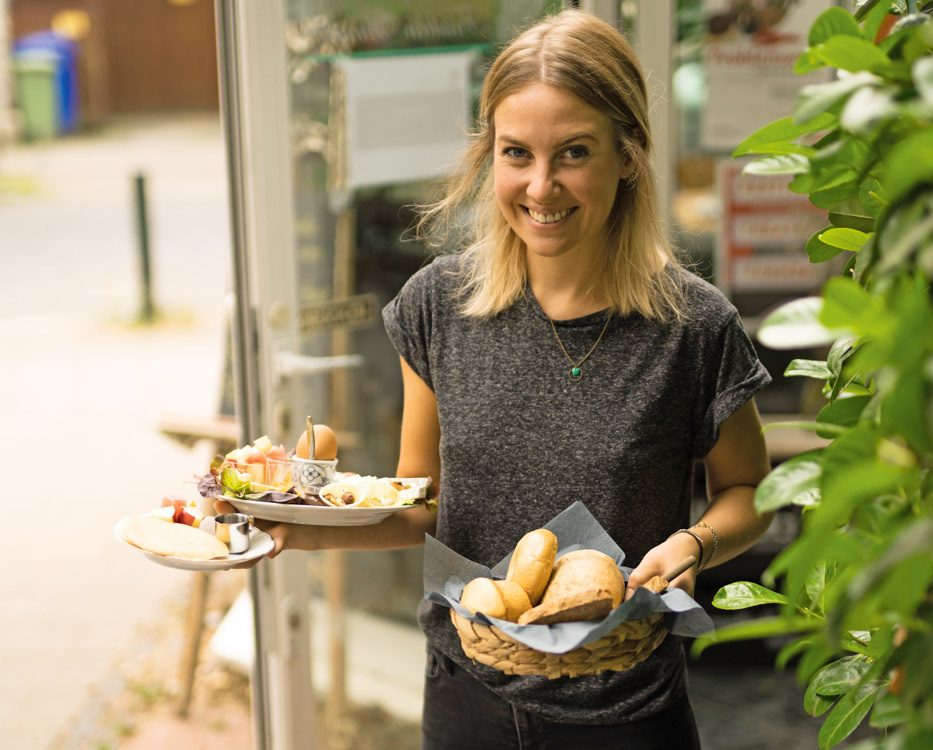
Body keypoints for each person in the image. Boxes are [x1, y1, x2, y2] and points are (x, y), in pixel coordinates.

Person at [223, 9, 774, 748]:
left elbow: (752, 493)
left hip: (627, 716)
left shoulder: (693, 326)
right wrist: (302, 529)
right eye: (517, 153)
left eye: (574, 153)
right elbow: (425, 504)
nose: (541, 187)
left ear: (628, 155)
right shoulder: (439, 307)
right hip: (467, 702)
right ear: (491, 157)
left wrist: (696, 544)